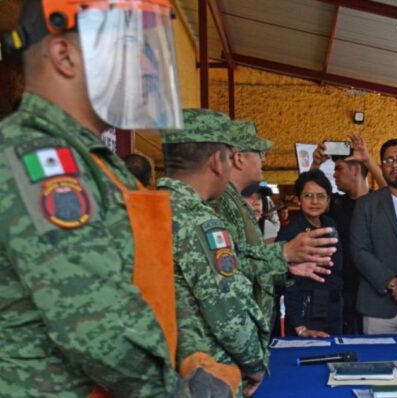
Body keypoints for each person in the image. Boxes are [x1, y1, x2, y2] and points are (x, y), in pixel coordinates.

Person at [0, 0, 228, 395]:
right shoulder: (36, 158)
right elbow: (93, 320)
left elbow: (149, 282)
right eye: (129, 45)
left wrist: (190, 357)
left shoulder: (98, 162)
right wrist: (174, 391)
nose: (148, 66)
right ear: (64, 55)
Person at [159, 109, 270, 396]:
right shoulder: (200, 224)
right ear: (216, 162)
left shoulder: (147, 208)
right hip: (206, 377)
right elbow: (227, 314)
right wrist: (256, 365)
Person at [212, 120, 337, 344]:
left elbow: (253, 264)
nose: (265, 159)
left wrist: (287, 270)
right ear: (239, 158)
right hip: (238, 334)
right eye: (260, 153)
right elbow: (225, 268)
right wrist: (284, 254)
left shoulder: (238, 206)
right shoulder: (222, 205)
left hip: (255, 331)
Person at [310, 133, 386, 334]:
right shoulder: (335, 203)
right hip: (340, 289)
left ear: (356, 169)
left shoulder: (377, 202)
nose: (334, 174)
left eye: (338, 168)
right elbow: (308, 199)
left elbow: (392, 193)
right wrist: (315, 165)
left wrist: (368, 160)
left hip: (372, 289)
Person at [351, 138, 397, 334]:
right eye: (388, 161)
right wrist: (392, 283)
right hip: (378, 306)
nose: (395, 165)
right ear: (381, 168)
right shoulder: (365, 204)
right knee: (379, 363)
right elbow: (360, 251)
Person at [277, 170, 344, 337]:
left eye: (321, 196)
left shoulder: (330, 223)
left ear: (328, 199)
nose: (315, 201)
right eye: (308, 196)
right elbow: (286, 282)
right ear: (299, 199)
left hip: (334, 309)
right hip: (306, 312)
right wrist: (299, 325)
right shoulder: (291, 232)